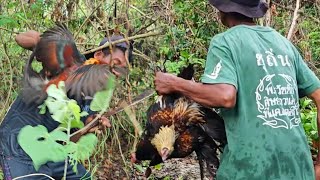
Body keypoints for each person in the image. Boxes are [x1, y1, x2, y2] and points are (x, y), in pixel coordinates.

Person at [154, 0, 320, 179]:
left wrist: (174, 83)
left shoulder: (225, 42)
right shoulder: (283, 44)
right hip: (298, 167)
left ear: (222, 10)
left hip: (250, 169)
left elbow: (225, 96)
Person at [0, 30, 131, 179]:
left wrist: (88, 126)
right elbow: (20, 38)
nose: (118, 72)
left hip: (52, 150)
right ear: (99, 55)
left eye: (123, 69)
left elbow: (69, 138)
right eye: (116, 63)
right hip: (19, 145)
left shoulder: (93, 96)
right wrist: (41, 43)